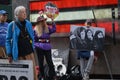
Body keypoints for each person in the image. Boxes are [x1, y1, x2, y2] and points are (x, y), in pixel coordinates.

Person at [5, 6, 37, 80]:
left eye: (25, 12)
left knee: (32, 72)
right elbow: (8, 40)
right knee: (21, 73)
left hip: (29, 52)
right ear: (17, 14)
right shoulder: (11, 25)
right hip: (18, 53)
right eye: (22, 12)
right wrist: (9, 53)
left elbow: (32, 36)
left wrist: (33, 46)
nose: (25, 14)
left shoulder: (28, 23)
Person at [34, 15, 56, 80]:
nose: (43, 22)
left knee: (50, 62)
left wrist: (53, 21)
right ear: (39, 22)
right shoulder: (35, 30)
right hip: (39, 47)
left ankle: (53, 75)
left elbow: (54, 29)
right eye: (42, 21)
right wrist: (36, 46)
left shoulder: (47, 28)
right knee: (40, 62)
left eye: (44, 21)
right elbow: (33, 40)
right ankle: (42, 76)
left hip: (47, 47)